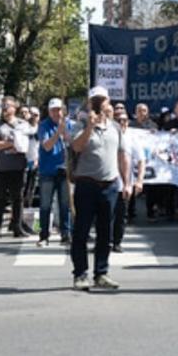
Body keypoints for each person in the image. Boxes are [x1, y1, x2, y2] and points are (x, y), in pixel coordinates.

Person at [70, 86, 132, 291]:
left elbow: (123, 155)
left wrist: (127, 182)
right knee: (81, 230)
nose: (99, 104)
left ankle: (101, 273)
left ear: (108, 102)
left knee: (105, 233)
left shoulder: (115, 127)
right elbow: (77, 147)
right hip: (87, 184)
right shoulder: (80, 124)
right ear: (89, 104)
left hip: (110, 185)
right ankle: (80, 274)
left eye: (102, 100)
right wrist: (90, 126)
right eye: (95, 101)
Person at [0, 97, 31, 239]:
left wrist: (11, 144)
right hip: (2, 168)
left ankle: (17, 227)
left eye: (7, 106)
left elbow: (25, 145)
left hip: (18, 167)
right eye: (3, 106)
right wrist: (11, 144)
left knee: (18, 198)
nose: (5, 109)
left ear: (14, 108)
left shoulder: (22, 124)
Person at [37, 98, 73, 246]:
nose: (56, 113)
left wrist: (65, 132)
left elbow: (72, 144)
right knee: (45, 204)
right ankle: (44, 235)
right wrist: (58, 132)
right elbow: (47, 146)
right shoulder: (43, 126)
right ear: (49, 111)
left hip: (64, 169)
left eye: (58, 110)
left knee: (65, 204)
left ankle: (66, 233)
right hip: (48, 170)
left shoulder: (68, 124)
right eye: (53, 110)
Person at [112, 112, 145, 252]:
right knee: (105, 215)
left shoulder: (132, 137)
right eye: (119, 120)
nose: (122, 123)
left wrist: (139, 181)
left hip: (125, 183)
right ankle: (105, 241)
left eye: (125, 120)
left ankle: (116, 242)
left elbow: (141, 160)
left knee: (121, 215)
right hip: (107, 182)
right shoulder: (109, 135)